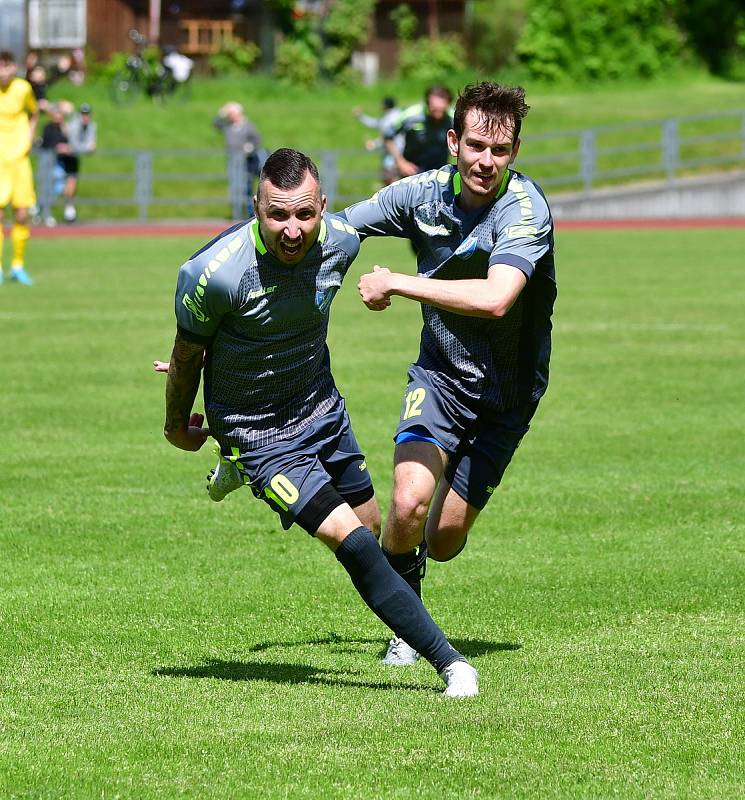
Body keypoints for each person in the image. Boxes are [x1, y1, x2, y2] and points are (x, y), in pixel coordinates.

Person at [158, 147, 479, 697]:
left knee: (373, 525)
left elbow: (408, 209)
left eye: (305, 214)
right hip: (258, 435)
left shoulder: (342, 243)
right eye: (278, 214)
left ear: (323, 208)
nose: (291, 228)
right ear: (255, 206)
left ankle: (402, 632)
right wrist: (174, 426)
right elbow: (187, 356)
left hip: (322, 411)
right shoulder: (211, 273)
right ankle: (450, 663)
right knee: (351, 540)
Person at [341, 82, 556, 666]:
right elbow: (336, 228)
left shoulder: (525, 210)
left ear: (514, 153)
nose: (487, 162)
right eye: (477, 146)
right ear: (454, 141)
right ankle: (406, 628)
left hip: (507, 399)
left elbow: (496, 298)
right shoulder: (422, 194)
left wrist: (398, 283)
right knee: (407, 506)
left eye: (502, 150)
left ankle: (427, 554)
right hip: (439, 378)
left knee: (442, 538)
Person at [0, 51, 38, 286]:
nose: (3, 72)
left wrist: (29, 140)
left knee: (22, 213)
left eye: (6, 66)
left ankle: (17, 266)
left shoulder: (23, 89)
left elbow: (34, 113)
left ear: (14, 67)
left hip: (19, 160)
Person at [382, 85, 453, 178]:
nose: (438, 114)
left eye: (442, 110)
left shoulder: (453, 118)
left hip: (440, 175)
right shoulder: (411, 115)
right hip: (412, 174)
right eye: (434, 110)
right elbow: (387, 137)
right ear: (427, 104)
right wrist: (400, 162)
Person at [213, 101, 264, 216]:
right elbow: (215, 124)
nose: (230, 116)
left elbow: (257, 140)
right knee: (234, 188)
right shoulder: (228, 126)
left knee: (246, 187)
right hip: (232, 160)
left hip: (246, 162)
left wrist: (249, 147)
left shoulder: (247, 125)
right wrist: (222, 113)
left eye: (232, 113)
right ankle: (237, 215)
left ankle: (250, 214)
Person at [353, 96, 403, 186]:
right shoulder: (389, 116)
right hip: (390, 153)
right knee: (388, 178)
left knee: (391, 179)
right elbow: (375, 123)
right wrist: (361, 116)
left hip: (395, 152)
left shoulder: (392, 118)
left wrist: (374, 144)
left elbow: (389, 138)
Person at [61, 102, 97, 222]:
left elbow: (91, 144)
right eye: (83, 114)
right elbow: (74, 145)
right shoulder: (74, 125)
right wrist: (87, 148)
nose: (85, 116)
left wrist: (86, 148)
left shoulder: (92, 126)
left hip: (73, 158)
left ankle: (69, 211)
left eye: (87, 114)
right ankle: (42, 210)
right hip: (62, 158)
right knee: (57, 184)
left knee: (72, 183)